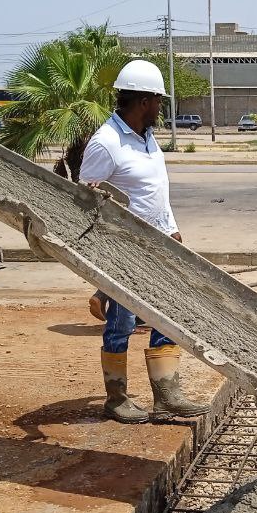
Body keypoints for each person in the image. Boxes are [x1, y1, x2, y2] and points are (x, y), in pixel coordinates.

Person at [80, 60, 209, 424]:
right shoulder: (106, 143)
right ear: (143, 101)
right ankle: (116, 397)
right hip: (123, 252)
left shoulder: (146, 137)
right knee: (121, 324)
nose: (161, 108)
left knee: (167, 318)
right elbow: (85, 205)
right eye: (158, 101)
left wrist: (173, 230)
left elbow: (155, 193)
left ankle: (167, 396)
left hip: (159, 246)